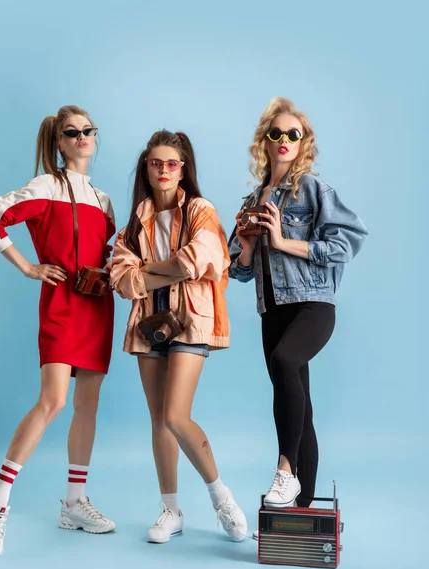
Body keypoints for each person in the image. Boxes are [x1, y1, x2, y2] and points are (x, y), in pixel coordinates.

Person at [0, 105, 116, 557]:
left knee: (87, 406)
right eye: (71, 132)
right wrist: (27, 267)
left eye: (88, 130)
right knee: (52, 401)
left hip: (98, 306)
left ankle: (74, 502)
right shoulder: (44, 186)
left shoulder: (104, 198)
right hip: (61, 303)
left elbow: (106, 251)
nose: (81, 138)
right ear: (58, 141)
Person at [228, 97, 367, 518]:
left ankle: (285, 470)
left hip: (313, 304)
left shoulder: (313, 189)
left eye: (294, 134)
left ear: (303, 143)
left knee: (287, 363)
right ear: (264, 143)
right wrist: (249, 245)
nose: (285, 140)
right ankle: (298, 509)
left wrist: (285, 240)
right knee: (297, 402)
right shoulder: (254, 197)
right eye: (277, 134)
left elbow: (349, 241)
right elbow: (240, 270)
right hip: (272, 309)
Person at [110, 130, 247, 544]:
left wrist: (148, 271)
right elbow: (120, 277)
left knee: (175, 415)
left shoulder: (201, 210)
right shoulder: (137, 221)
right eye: (156, 163)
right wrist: (157, 271)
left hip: (190, 320)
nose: (164, 170)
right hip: (148, 324)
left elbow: (199, 259)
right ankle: (171, 510)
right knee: (158, 420)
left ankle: (221, 497)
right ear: (146, 170)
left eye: (172, 163)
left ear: (184, 169)